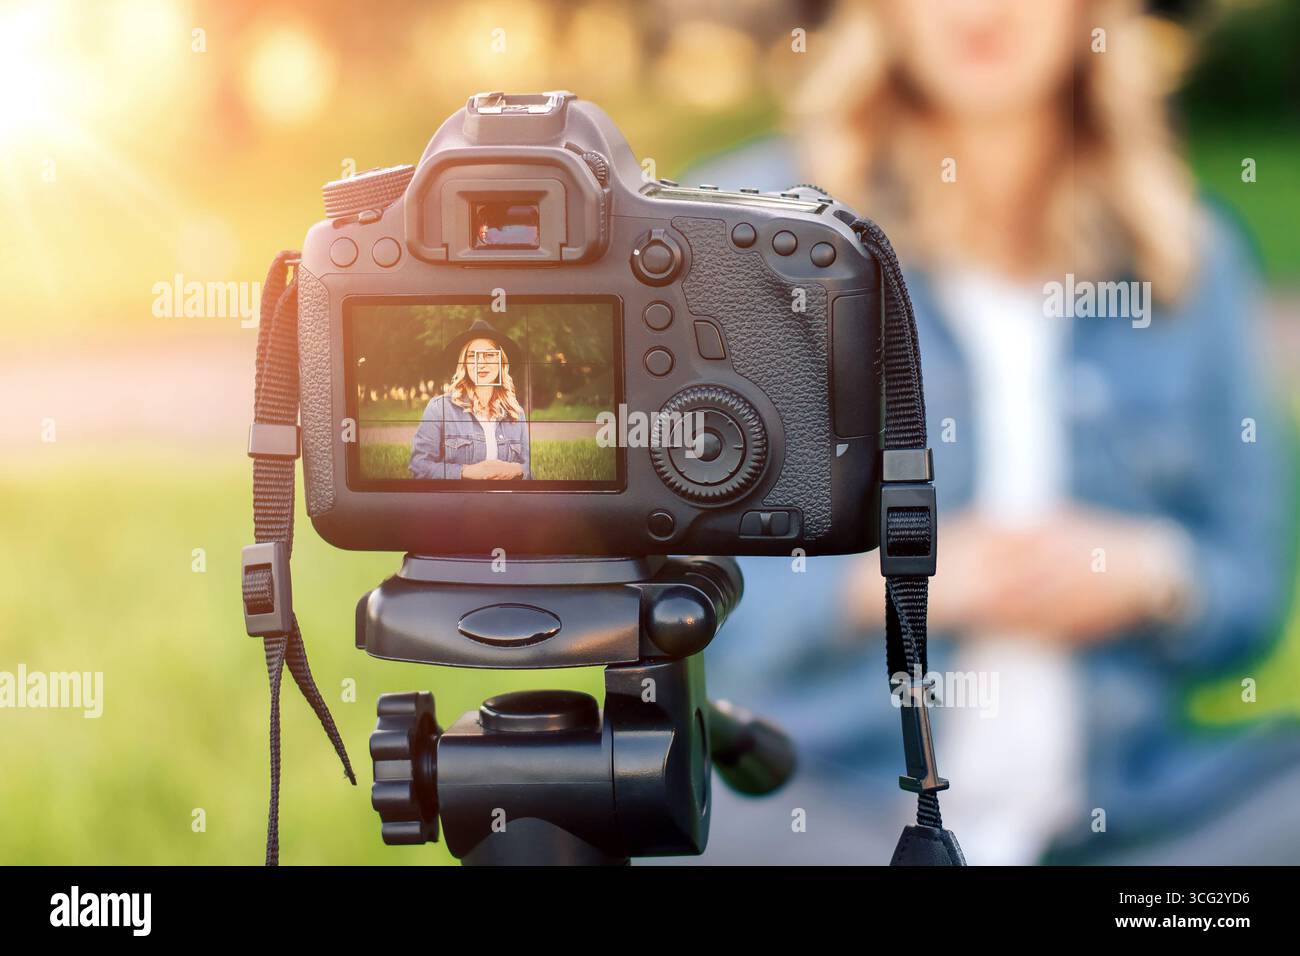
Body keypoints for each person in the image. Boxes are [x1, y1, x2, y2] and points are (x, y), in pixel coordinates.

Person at [683, 0, 1300, 864]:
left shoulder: (1188, 254)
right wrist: (892, 583)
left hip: (1128, 817)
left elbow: (1250, 590)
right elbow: (681, 591)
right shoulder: (752, 236)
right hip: (829, 808)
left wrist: (1152, 573)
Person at [410, 318, 532, 480]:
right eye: (472, 355)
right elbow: (419, 467)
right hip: (458, 503)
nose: (480, 363)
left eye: (489, 355)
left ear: (501, 361)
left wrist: (516, 469)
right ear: (465, 364)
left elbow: (528, 471)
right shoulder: (440, 409)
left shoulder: (516, 413)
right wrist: (466, 472)